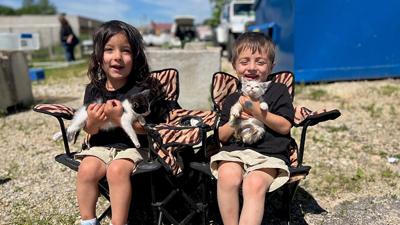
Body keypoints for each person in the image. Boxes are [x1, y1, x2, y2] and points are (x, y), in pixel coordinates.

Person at [74, 20, 163, 225]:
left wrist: (119, 120)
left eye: (125, 51)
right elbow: (90, 129)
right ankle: (88, 221)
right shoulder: (93, 89)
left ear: (136, 57)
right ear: (98, 57)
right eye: (109, 50)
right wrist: (94, 122)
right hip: (101, 146)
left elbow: (149, 129)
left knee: (116, 170)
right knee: (86, 169)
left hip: (134, 148)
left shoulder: (141, 90)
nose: (117, 57)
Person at [210, 32, 295, 225]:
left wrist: (257, 112)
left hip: (268, 154)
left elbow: (284, 127)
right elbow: (222, 137)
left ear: (271, 66)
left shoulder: (278, 91)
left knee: (254, 184)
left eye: (260, 62)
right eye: (245, 61)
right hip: (235, 152)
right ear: (235, 66)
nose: (251, 68)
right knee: (227, 177)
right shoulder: (232, 98)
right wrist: (236, 117)